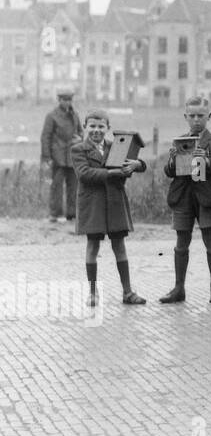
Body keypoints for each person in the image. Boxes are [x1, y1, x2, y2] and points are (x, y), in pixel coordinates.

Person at [71, 110, 147, 306]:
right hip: (92, 204)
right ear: (85, 128)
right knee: (93, 246)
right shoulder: (78, 149)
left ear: (108, 129)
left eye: (101, 127)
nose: (96, 130)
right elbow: (85, 174)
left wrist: (138, 164)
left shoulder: (117, 147)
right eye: (92, 126)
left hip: (114, 201)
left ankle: (128, 292)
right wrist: (113, 173)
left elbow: (131, 166)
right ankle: (93, 293)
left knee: (119, 246)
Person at [160, 96, 211, 304]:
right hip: (183, 197)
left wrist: (205, 159)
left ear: (209, 116)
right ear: (185, 117)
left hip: (206, 196)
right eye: (192, 116)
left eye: (201, 116)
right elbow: (169, 171)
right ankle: (179, 288)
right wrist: (173, 159)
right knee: (181, 242)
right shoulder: (179, 141)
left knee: (210, 240)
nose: (197, 120)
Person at [41, 88, 82, 223]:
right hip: (57, 157)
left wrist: (79, 139)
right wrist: (47, 157)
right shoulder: (52, 116)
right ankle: (55, 214)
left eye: (69, 100)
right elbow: (46, 137)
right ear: (59, 100)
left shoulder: (75, 115)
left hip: (72, 156)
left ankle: (72, 214)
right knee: (56, 187)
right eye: (65, 100)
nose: (67, 103)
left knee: (74, 186)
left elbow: (81, 132)